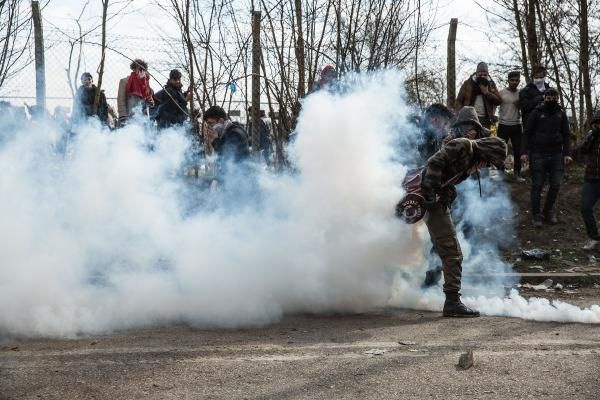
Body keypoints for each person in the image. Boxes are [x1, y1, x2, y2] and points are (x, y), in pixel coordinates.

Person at [421, 136, 508, 317]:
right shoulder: (464, 145)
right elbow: (434, 163)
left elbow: (446, 178)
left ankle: (426, 289)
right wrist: (432, 190)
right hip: (429, 199)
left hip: (434, 200)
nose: (487, 165)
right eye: (490, 161)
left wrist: (446, 191)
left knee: (441, 247)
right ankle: (452, 302)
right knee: (452, 251)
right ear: (487, 151)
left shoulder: (471, 161)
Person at [521, 88, 572, 227]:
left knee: (555, 184)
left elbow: (567, 134)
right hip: (538, 153)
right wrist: (524, 152)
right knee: (537, 185)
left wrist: (567, 153)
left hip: (556, 154)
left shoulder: (561, 114)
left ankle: (548, 211)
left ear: (557, 98)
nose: (551, 100)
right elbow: (526, 133)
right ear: (544, 98)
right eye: (548, 98)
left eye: (553, 98)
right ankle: (536, 214)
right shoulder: (536, 113)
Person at [455, 62, 502, 129]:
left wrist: (487, 93)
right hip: (469, 118)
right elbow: (459, 101)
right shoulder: (468, 83)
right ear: (476, 74)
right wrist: (460, 114)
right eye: (480, 75)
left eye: (485, 75)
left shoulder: (491, 84)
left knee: (484, 139)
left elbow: (498, 101)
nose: (482, 77)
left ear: (488, 75)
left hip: (485, 119)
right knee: (470, 138)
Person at [497, 71, 525, 181]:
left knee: (518, 150)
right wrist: (491, 115)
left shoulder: (521, 93)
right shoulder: (501, 92)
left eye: (516, 80)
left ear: (519, 81)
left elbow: (525, 107)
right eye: (512, 80)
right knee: (500, 150)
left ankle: (517, 174)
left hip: (516, 125)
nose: (514, 82)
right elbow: (494, 104)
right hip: (503, 124)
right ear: (508, 80)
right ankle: (500, 174)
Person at [580, 111, 600, 250]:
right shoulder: (591, 136)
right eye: (596, 123)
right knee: (585, 208)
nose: (598, 126)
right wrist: (590, 138)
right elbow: (582, 151)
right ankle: (594, 237)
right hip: (591, 177)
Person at [117, 59, 154, 124]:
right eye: (139, 69)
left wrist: (151, 102)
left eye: (143, 69)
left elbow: (149, 100)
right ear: (134, 69)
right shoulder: (125, 81)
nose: (141, 71)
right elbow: (121, 100)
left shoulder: (146, 84)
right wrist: (122, 116)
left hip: (144, 118)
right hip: (130, 117)